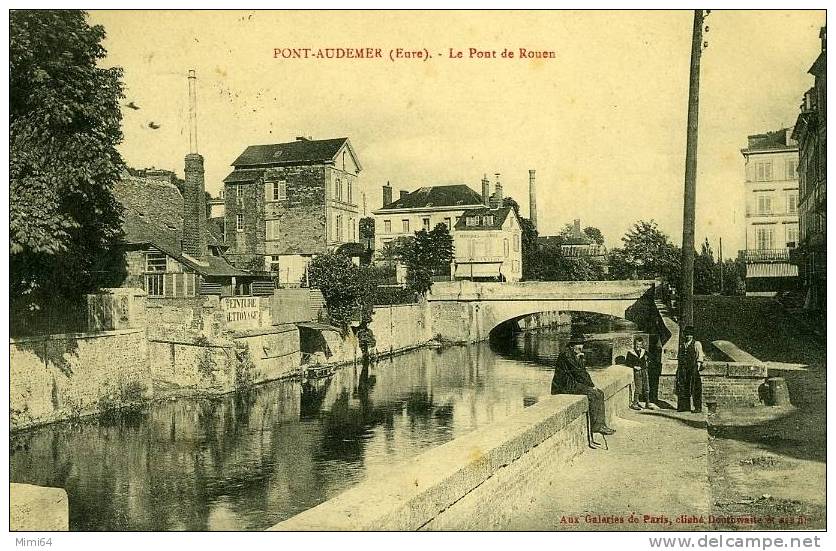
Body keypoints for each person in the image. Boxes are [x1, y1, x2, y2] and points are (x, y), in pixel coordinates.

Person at [552, 333, 616, 435]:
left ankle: (601, 424)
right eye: (578, 344)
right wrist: (590, 386)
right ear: (572, 345)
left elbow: (583, 373)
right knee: (594, 394)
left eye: (581, 344)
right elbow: (578, 373)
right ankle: (596, 426)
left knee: (600, 393)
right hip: (564, 386)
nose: (580, 347)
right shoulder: (566, 354)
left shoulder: (575, 354)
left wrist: (591, 384)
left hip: (572, 383)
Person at [675, 325, 704, 413]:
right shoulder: (682, 344)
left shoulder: (696, 344)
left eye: (690, 335)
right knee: (683, 387)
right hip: (683, 369)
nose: (688, 336)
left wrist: (697, 367)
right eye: (687, 335)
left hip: (693, 368)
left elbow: (700, 356)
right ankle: (684, 406)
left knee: (695, 387)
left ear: (692, 335)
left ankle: (697, 407)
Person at [625, 336, 658, 410]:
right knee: (638, 387)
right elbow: (627, 363)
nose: (638, 346)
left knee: (646, 387)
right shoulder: (630, 353)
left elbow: (652, 358)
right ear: (634, 344)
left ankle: (647, 403)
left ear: (642, 344)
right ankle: (635, 403)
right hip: (637, 372)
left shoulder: (644, 352)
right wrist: (634, 366)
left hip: (644, 371)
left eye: (639, 344)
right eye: (636, 344)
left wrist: (648, 362)